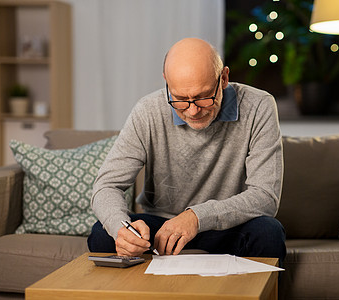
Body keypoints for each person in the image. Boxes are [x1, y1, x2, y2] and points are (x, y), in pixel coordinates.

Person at [88, 38, 286, 260]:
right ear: (166, 82)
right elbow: (107, 186)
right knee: (102, 235)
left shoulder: (259, 106)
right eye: (180, 99)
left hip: (228, 226)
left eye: (203, 97)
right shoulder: (148, 111)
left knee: (268, 233)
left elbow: (265, 196)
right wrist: (121, 228)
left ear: (224, 78)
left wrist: (196, 217)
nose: (192, 111)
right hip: (163, 228)